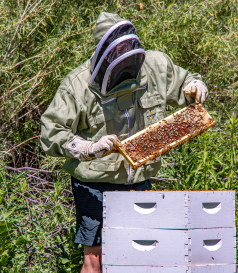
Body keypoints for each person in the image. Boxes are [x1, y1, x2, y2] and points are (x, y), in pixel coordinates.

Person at [40, 12, 208, 273]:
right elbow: (50, 132)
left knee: (136, 256)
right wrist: (86, 148)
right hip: (94, 183)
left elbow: (184, 81)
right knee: (96, 259)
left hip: (138, 179)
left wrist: (194, 85)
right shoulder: (77, 85)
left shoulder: (157, 66)